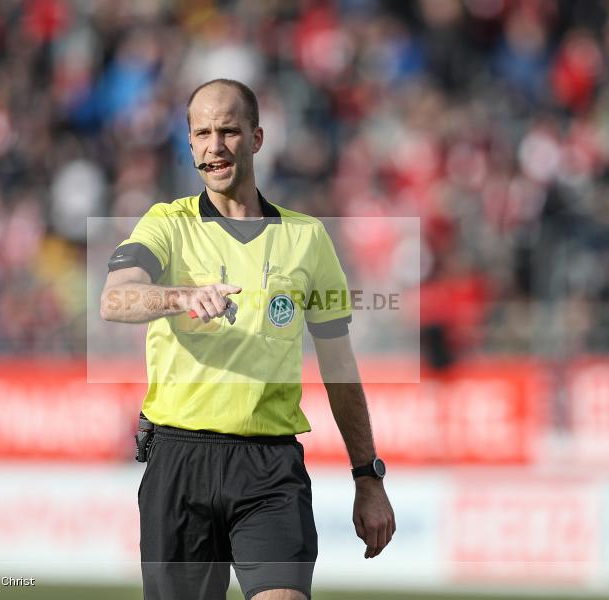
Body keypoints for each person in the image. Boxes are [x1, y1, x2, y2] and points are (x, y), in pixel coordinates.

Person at [100, 79, 395, 600]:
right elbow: (115, 298)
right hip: (179, 459)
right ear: (190, 143)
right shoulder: (166, 224)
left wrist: (367, 476)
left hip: (269, 466)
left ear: (256, 139)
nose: (214, 146)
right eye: (202, 133)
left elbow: (339, 366)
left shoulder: (307, 238)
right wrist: (181, 297)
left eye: (229, 131)